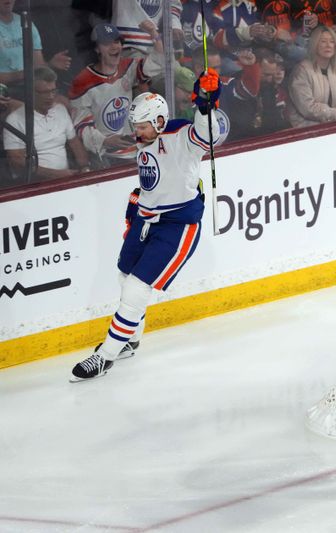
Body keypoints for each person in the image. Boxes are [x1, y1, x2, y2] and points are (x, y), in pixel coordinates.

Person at [70, 68, 221, 382]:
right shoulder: (144, 136)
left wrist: (206, 105)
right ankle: (130, 340)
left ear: (160, 122)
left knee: (138, 289)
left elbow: (207, 136)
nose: (136, 133)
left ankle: (106, 355)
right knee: (124, 276)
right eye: (134, 126)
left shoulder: (181, 136)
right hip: (145, 218)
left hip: (177, 224)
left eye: (142, 127)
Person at [68, 23, 167, 167]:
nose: (115, 47)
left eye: (117, 42)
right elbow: (82, 126)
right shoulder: (82, 81)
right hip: (104, 157)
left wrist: (154, 33)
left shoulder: (128, 67)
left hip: (134, 150)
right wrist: (105, 141)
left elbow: (159, 61)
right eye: (107, 43)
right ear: (97, 49)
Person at [3, 66, 91, 182]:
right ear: (31, 92)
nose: (50, 97)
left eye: (53, 91)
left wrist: (85, 168)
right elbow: (16, 161)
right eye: (44, 92)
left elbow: (74, 143)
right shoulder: (14, 120)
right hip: (33, 183)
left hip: (66, 178)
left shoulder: (61, 111)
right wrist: (55, 175)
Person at [0, 0, 72, 101]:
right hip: (5, 91)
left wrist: (50, 65)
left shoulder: (26, 22)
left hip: (31, 86)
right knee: (24, 110)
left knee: (65, 103)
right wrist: (24, 74)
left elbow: (39, 67)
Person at [286, 25, 336, 127]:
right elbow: (308, 108)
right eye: (323, 41)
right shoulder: (302, 70)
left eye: (332, 41)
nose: (328, 45)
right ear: (315, 44)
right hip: (307, 130)